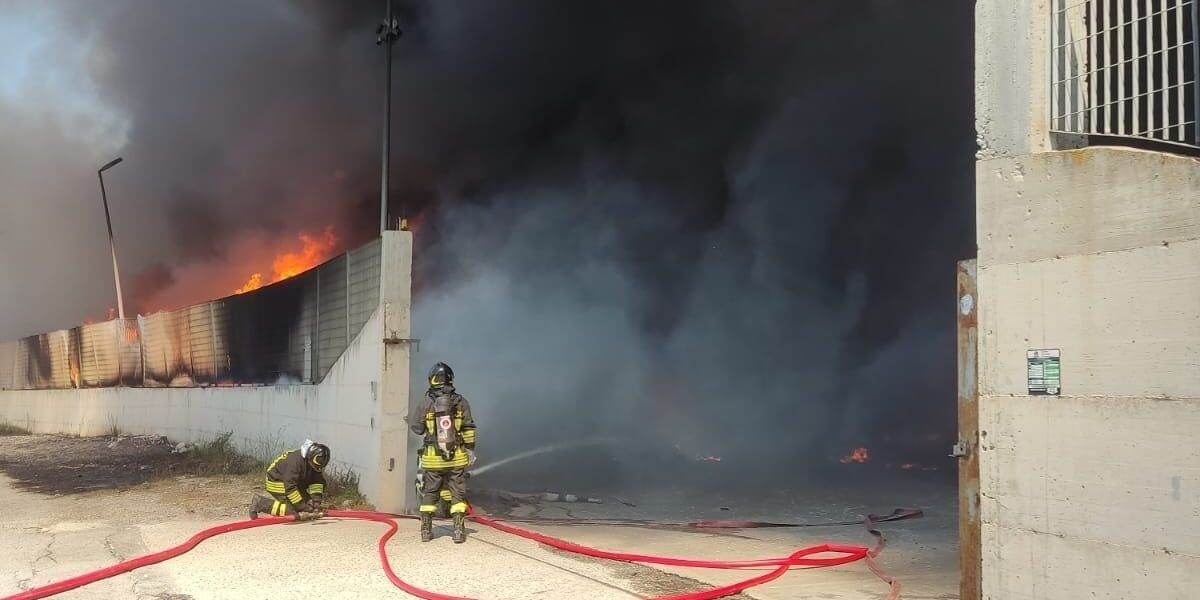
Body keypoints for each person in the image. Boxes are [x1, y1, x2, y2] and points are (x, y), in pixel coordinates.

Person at [410, 362, 477, 543]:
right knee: (458, 495)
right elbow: (468, 429)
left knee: (430, 493)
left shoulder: (426, 403)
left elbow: (416, 428)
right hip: (457, 458)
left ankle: (426, 531)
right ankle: (458, 531)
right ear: (451, 379)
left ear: (431, 380)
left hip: (433, 460)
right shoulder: (461, 402)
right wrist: (470, 450)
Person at [249, 439, 330, 520]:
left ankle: (303, 506)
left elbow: (317, 482)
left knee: (309, 507)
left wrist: (316, 501)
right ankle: (260, 503)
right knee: (294, 511)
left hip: (295, 483)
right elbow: (290, 488)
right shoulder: (294, 463)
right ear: (310, 456)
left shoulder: (313, 464)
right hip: (277, 482)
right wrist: (301, 506)